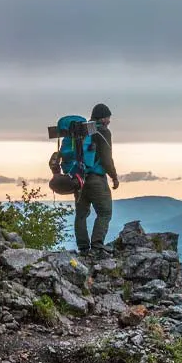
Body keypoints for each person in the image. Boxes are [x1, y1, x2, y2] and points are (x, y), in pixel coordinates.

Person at [75, 103, 119, 256]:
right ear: (103, 118)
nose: (109, 121)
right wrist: (114, 176)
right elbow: (107, 158)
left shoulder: (83, 129)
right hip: (96, 178)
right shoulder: (103, 132)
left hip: (78, 179)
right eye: (108, 117)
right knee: (105, 212)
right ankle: (96, 246)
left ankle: (83, 248)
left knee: (81, 213)